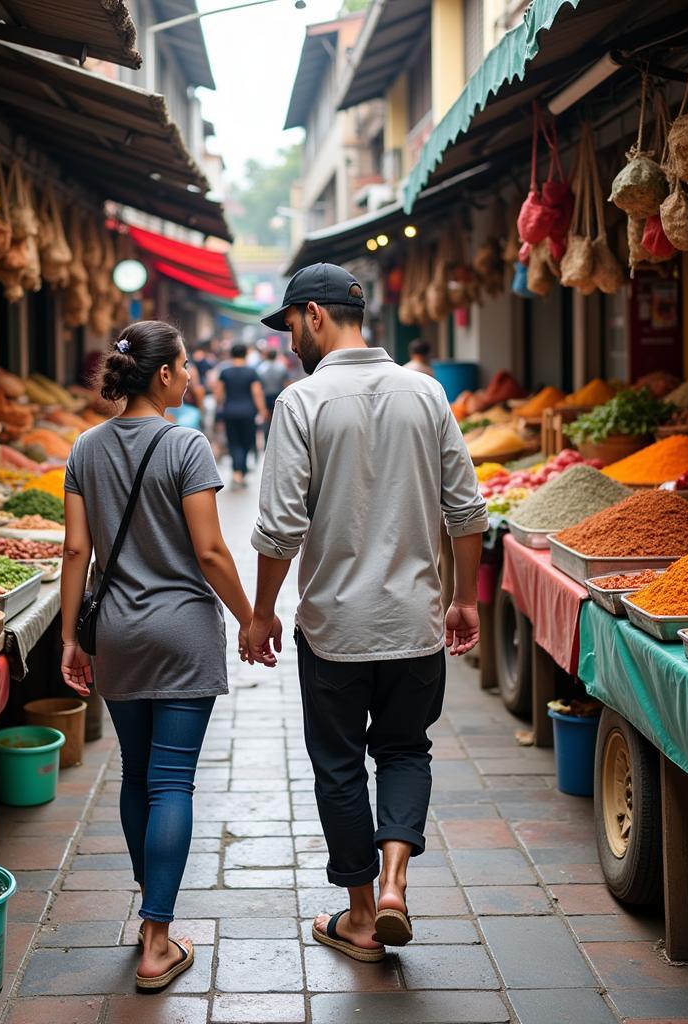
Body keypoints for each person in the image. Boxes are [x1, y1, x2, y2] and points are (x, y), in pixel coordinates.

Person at [245, 263, 487, 962]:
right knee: (407, 750)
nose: (289, 340)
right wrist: (464, 597)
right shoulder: (426, 392)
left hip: (334, 630)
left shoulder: (302, 402)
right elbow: (467, 509)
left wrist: (261, 613)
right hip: (414, 624)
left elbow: (279, 526)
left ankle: (357, 917)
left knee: (340, 764)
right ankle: (393, 884)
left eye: (290, 323)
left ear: (314, 315)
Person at [59, 321, 257, 993]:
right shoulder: (187, 446)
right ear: (165, 374)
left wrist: (67, 637)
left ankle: (152, 908)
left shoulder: (84, 447)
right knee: (173, 781)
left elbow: (74, 553)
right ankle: (156, 939)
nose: (193, 377)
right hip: (181, 633)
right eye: (185, 367)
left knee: (135, 776)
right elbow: (209, 551)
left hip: (114, 631)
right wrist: (252, 615)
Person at [214, 343, 267, 488]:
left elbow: (218, 394)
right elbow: (257, 393)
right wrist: (262, 410)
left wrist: (220, 407)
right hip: (248, 412)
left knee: (233, 442)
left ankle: (238, 473)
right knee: (246, 442)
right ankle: (240, 473)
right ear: (246, 354)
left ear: (231, 354)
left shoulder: (225, 372)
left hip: (230, 412)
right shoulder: (251, 372)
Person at [255, 348, 290, 442]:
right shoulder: (281, 367)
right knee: (278, 420)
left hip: (265, 397)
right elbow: (287, 383)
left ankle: (267, 441)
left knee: (266, 421)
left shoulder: (261, 368)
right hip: (278, 395)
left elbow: (259, 386)